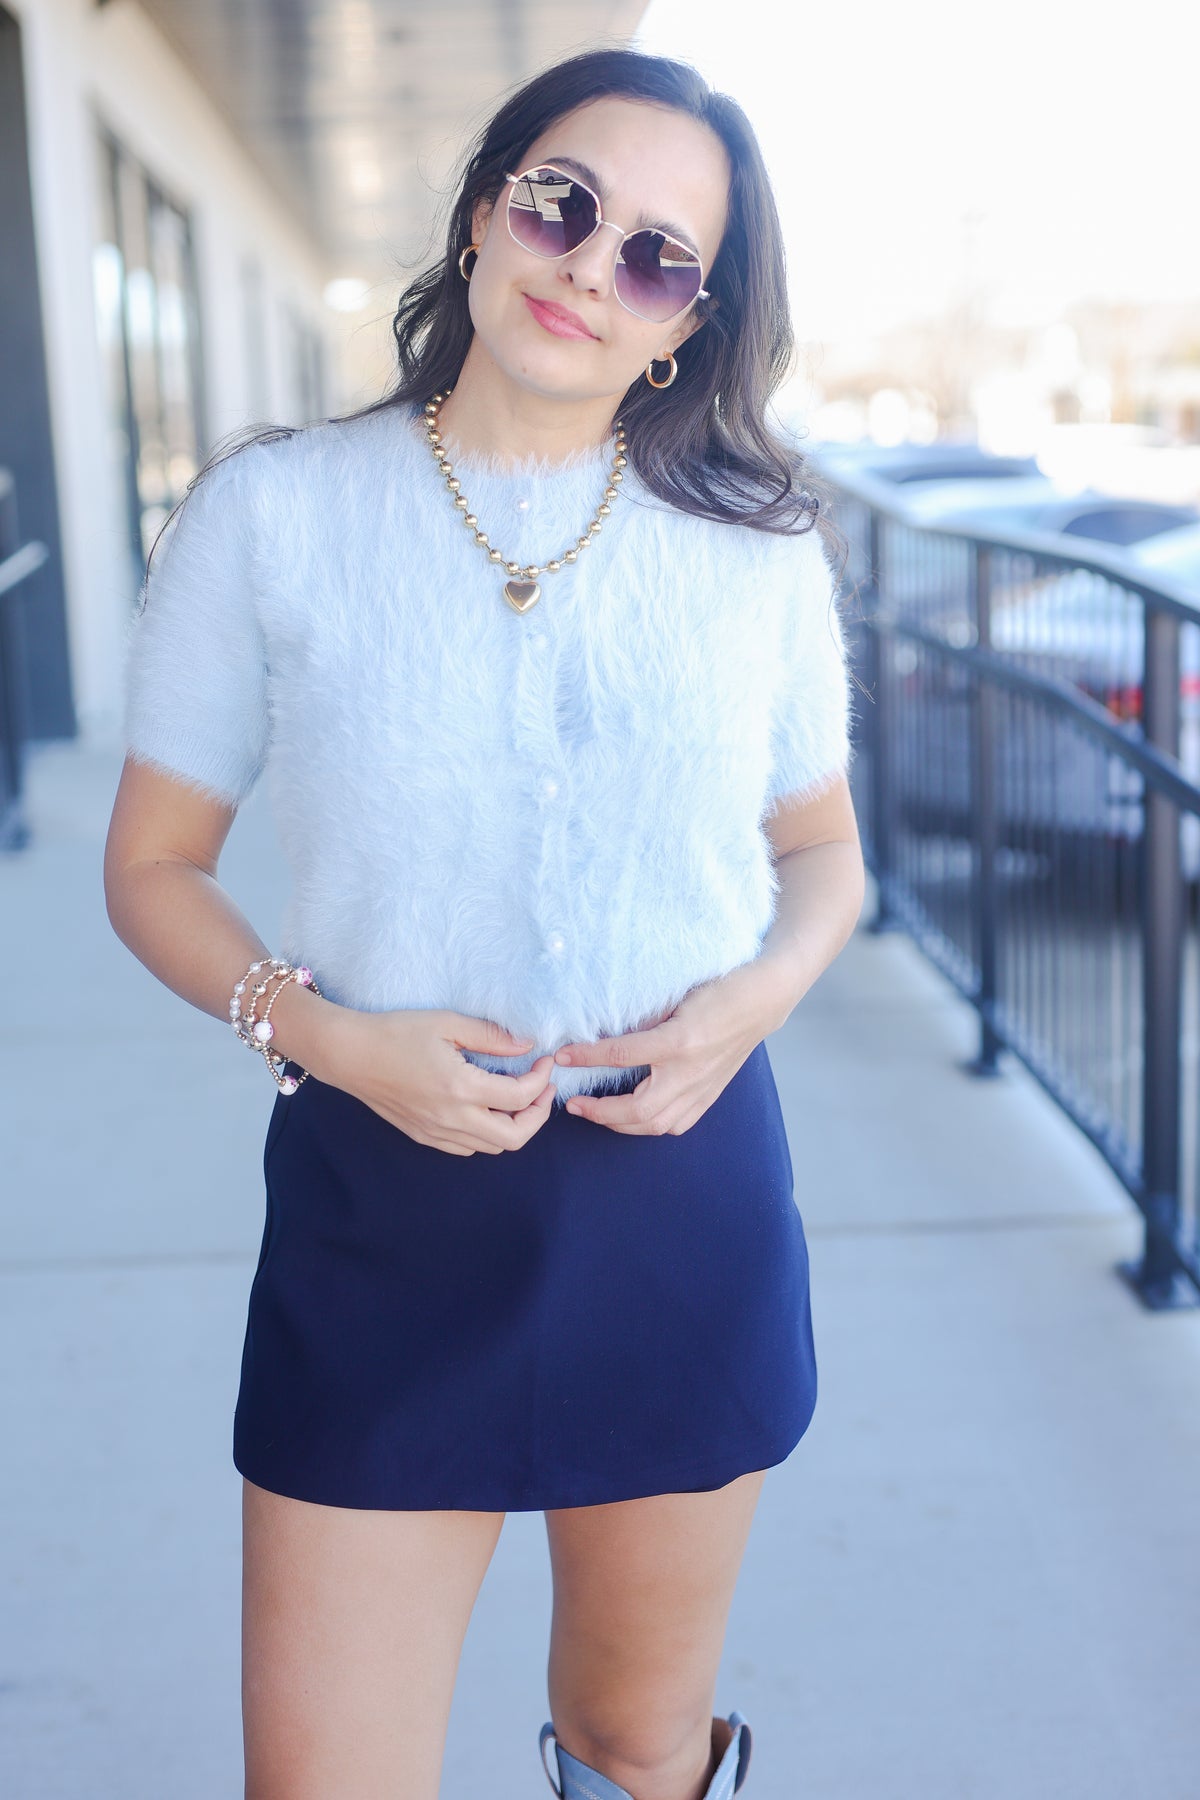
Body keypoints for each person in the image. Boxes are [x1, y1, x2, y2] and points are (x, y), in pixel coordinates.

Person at [103, 43, 865, 1800]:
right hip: (381, 1205)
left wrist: (753, 999)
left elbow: (826, 860)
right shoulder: (275, 511)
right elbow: (151, 867)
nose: (596, 268)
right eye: (564, 203)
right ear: (483, 210)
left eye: (661, 256)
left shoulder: (753, 550)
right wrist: (327, 1035)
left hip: (681, 1199)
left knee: (636, 1741)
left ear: (688, 320)